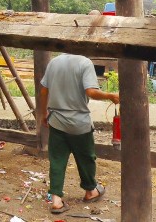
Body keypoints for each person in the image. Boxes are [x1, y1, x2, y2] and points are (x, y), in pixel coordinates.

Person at [39, 53, 120, 214]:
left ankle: (55, 199)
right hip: (79, 123)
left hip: (56, 120)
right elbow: (91, 91)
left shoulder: (54, 62)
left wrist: (44, 113)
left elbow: (43, 91)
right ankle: (91, 191)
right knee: (86, 158)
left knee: (57, 160)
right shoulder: (85, 63)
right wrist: (110, 95)